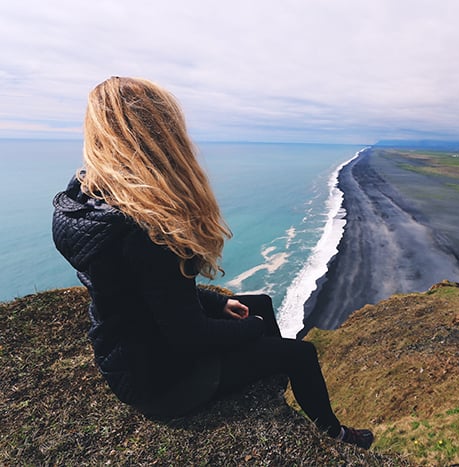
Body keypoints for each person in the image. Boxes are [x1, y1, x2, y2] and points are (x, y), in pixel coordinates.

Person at [51, 76, 373, 450]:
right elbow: (190, 338)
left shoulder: (90, 206)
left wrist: (219, 302)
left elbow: (145, 291)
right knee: (300, 353)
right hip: (164, 384)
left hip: (126, 357)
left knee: (263, 303)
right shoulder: (147, 228)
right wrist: (252, 330)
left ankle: (269, 380)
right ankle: (335, 434)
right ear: (164, 137)